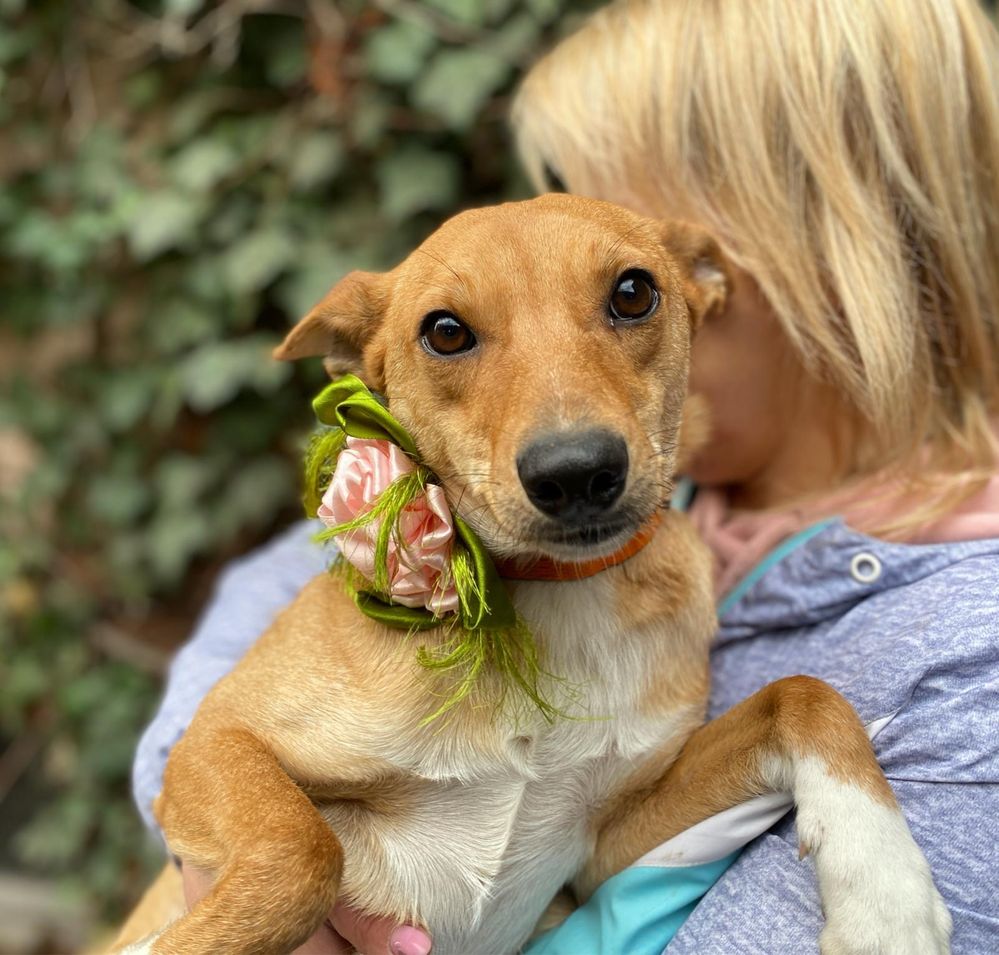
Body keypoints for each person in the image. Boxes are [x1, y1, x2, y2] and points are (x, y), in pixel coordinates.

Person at [132, 0, 999, 952]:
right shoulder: (415, 531)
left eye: (625, 290)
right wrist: (269, 879)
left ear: (719, 275)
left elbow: (606, 838)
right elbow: (214, 719)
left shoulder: (960, 648)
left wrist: (805, 733)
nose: (568, 444)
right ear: (370, 364)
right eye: (454, 334)